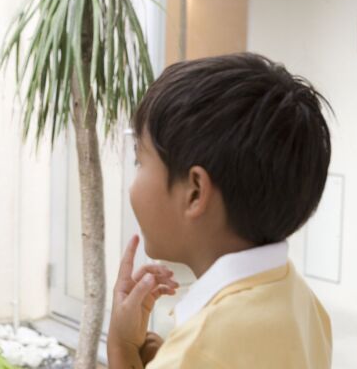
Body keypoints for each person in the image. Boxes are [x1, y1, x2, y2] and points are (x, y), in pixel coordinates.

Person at [107, 52, 333, 368]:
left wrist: (121, 348)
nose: (132, 183)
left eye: (139, 161)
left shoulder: (194, 353)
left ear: (195, 192)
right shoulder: (302, 302)